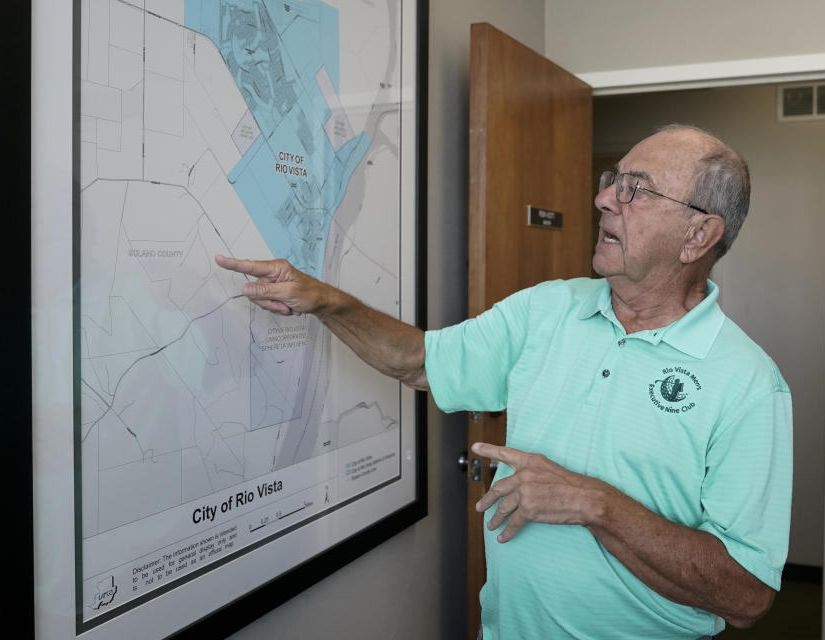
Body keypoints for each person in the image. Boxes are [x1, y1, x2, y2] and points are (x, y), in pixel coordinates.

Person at [215, 125, 792, 640]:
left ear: (699, 235)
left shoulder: (748, 383)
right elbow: (420, 361)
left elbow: (746, 596)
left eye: (635, 190)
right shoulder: (547, 308)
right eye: (612, 180)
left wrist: (594, 503)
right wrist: (324, 300)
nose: (602, 200)